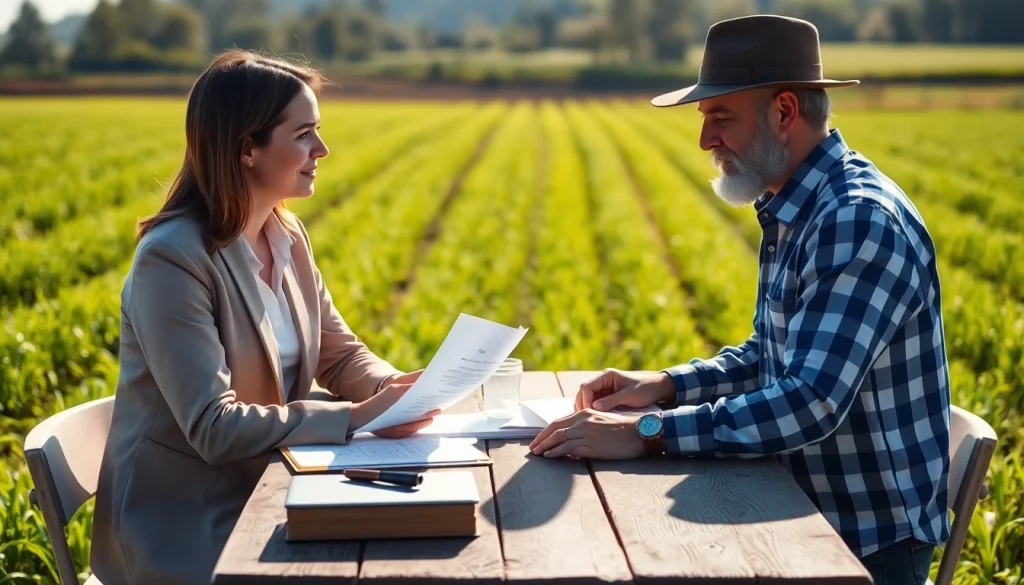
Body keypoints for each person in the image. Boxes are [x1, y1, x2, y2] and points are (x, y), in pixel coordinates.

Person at [529, 15, 950, 585]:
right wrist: (661, 385)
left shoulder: (855, 220)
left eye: (720, 117)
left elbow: (810, 401)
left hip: (862, 545)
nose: (705, 140)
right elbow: (767, 358)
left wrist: (647, 434)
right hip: (797, 509)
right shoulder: (796, 204)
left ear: (784, 113)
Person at [90, 50, 438, 585]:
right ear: (247, 147)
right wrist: (357, 418)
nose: (322, 150)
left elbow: (339, 352)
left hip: (273, 488)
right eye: (303, 135)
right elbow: (213, 426)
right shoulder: (172, 258)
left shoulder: (287, 235)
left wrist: (400, 390)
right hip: (188, 521)